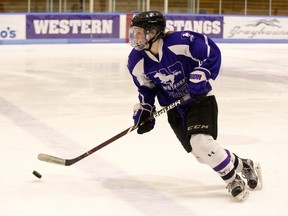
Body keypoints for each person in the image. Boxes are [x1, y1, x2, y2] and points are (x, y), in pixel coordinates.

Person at [127, 11, 262, 201]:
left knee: (202, 143)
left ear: (154, 32)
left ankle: (233, 180)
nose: (136, 37)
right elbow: (146, 89)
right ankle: (244, 165)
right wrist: (146, 110)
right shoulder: (136, 61)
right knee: (200, 154)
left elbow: (211, 51)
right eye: (135, 32)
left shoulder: (179, 42)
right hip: (175, 108)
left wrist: (204, 71)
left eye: (141, 32)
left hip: (199, 99)